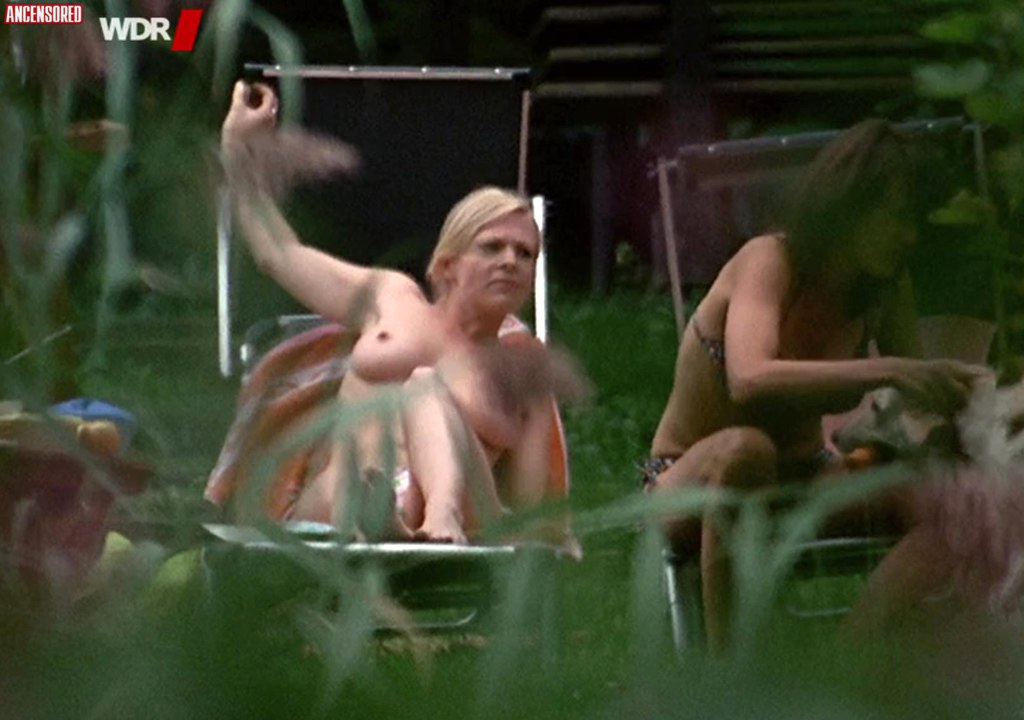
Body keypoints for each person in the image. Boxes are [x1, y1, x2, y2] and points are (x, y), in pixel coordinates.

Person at [644, 119, 990, 651]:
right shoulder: (770, 260)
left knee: (952, 501)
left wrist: (969, 402)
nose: (909, 236)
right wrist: (890, 369)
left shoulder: (884, 290)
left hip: (806, 479)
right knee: (747, 449)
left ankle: (849, 662)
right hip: (693, 485)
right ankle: (732, 679)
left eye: (915, 221)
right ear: (849, 206)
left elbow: (918, 407)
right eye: (897, 216)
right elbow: (748, 378)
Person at [219, 80, 573, 544]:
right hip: (341, 502)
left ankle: (435, 515)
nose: (510, 261)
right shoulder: (392, 298)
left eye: (525, 254)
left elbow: (530, 514)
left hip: (460, 526)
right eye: (492, 247)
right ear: (447, 265)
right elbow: (279, 254)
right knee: (353, 475)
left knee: (425, 384)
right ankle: (384, 515)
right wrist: (238, 150)